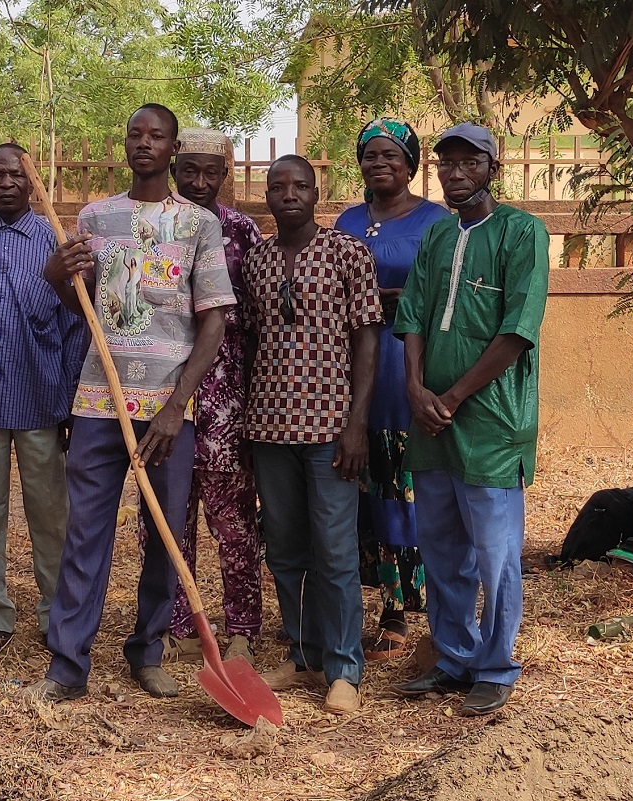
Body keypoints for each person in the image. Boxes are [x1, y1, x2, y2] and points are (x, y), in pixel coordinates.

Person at [28, 104, 234, 702]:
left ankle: (148, 651)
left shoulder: (199, 224)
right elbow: (84, 311)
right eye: (135, 134)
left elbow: (214, 321)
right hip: (98, 401)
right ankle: (67, 666)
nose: (144, 144)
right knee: (85, 532)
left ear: (173, 148)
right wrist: (56, 276)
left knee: (167, 533)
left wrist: (176, 406)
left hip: (169, 409)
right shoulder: (96, 217)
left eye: (156, 136)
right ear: (125, 145)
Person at [392, 123, 548, 716]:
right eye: (446, 164)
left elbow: (517, 331)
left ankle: (496, 664)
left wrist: (451, 397)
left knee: (496, 552)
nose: (454, 173)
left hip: (489, 423)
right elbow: (411, 317)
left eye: (468, 162)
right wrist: (413, 388)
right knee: (440, 546)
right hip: (430, 422)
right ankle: (454, 657)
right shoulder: (436, 237)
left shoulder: (521, 232)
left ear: (492, 167)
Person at [245, 155, 383, 715]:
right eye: (278, 187)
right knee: (283, 549)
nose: (289, 195)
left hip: (331, 426)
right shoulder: (255, 259)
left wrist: (357, 424)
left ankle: (344, 665)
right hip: (270, 426)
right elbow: (254, 342)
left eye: (300, 185)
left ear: (316, 191)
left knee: (335, 549)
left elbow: (367, 340)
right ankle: (301, 654)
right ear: (268, 197)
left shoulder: (347, 253)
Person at [0, 143, 83, 656]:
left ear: (32, 181)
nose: (5, 182)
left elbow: (76, 326)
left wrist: (70, 398)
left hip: (40, 398)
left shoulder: (57, 242)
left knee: (51, 514)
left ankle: (58, 611)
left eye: (15, 174)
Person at [333, 118, 454, 661]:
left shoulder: (436, 221)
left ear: (410, 162)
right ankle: (381, 599)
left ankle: (409, 605)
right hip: (350, 367)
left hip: (408, 361)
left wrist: (383, 299)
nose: (379, 163)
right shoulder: (347, 220)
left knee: (405, 486)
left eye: (390, 155)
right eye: (369, 155)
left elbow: (441, 295)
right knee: (367, 491)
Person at [163, 128, 267, 664]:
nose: (199, 183)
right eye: (190, 171)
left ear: (225, 176)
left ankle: (242, 630)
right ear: (175, 169)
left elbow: (253, 322)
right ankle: (177, 625)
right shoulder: (155, 229)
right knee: (168, 515)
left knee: (233, 520)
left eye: (211, 173)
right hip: (163, 398)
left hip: (227, 399)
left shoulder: (242, 233)